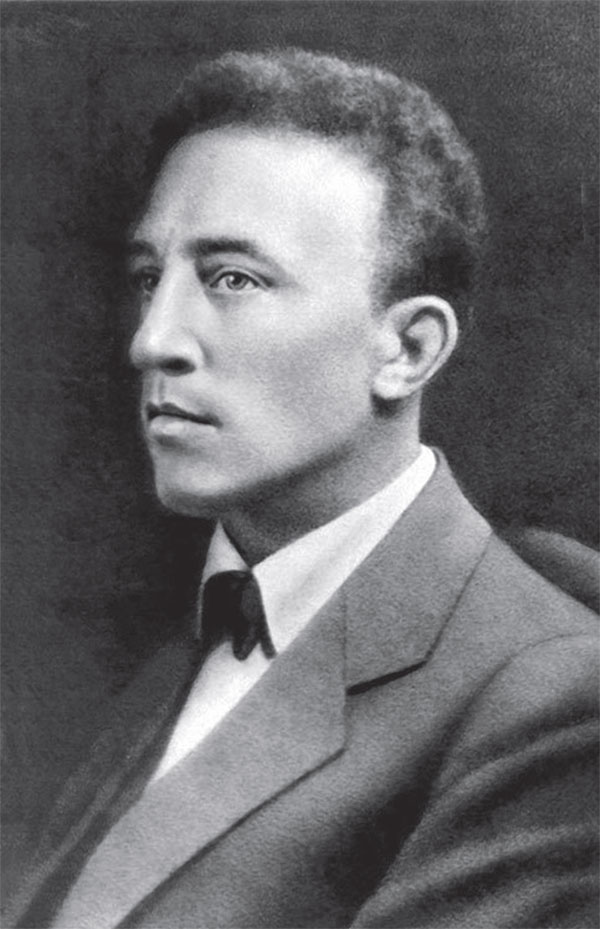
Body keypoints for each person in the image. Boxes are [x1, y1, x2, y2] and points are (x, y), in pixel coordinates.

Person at [10, 48, 598, 929]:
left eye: (234, 279)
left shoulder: (550, 700)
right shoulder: (194, 629)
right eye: (149, 278)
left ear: (407, 350)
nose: (152, 340)